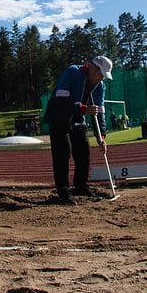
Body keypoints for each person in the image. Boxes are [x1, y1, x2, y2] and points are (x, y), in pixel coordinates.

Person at [42, 55, 113, 205]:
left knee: (83, 151)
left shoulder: (100, 86)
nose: (101, 78)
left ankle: (81, 186)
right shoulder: (73, 72)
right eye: (100, 74)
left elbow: (99, 112)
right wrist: (83, 108)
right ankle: (63, 191)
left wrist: (102, 137)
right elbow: (61, 100)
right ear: (93, 68)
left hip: (78, 117)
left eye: (104, 76)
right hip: (59, 116)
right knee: (63, 152)